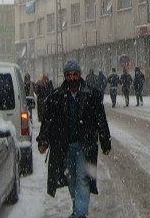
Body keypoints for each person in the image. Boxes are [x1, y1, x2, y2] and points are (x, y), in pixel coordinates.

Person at [37, 60, 111, 218]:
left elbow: (101, 120)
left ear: (80, 75)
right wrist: (43, 140)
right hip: (64, 146)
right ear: (65, 77)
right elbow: (47, 121)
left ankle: (79, 214)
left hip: (85, 145)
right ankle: (78, 209)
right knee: (71, 179)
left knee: (83, 179)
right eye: (69, 75)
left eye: (75, 74)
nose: (72, 78)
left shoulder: (92, 95)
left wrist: (105, 141)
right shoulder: (56, 97)